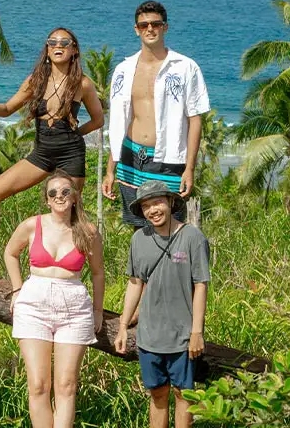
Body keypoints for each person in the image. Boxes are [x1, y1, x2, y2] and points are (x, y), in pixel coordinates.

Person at [0, 27, 104, 253]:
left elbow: (98, 120)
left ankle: (78, 271)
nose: (58, 46)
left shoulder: (82, 83)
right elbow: (6, 109)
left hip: (70, 155)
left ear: (74, 50)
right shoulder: (36, 81)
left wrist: (75, 134)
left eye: (65, 43)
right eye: (52, 42)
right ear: (47, 48)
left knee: (69, 213)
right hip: (41, 154)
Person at [3, 170, 105, 428]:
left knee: (66, 385)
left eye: (65, 191)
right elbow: (10, 253)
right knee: (38, 384)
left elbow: (97, 272)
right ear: (47, 200)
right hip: (34, 303)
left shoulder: (88, 230)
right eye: (53, 193)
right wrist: (16, 289)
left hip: (74, 306)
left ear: (74, 197)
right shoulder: (32, 224)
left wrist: (98, 310)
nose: (59, 196)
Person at [100, 1, 210, 227]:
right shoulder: (124, 69)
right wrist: (110, 170)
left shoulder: (185, 67)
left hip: (168, 159)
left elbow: (195, 120)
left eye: (155, 24)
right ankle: (141, 265)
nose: (150, 29)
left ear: (165, 27)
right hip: (130, 157)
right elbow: (120, 121)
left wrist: (189, 168)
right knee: (137, 227)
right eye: (143, 25)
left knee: (169, 228)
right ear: (136, 29)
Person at [114, 181, 210, 428]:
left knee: (183, 394)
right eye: (146, 206)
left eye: (157, 202)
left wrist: (197, 332)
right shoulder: (139, 239)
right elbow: (135, 283)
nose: (152, 210)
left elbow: (201, 285)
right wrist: (123, 326)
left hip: (182, 335)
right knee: (157, 394)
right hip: (149, 336)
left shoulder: (193, 237)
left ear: (170, 202)